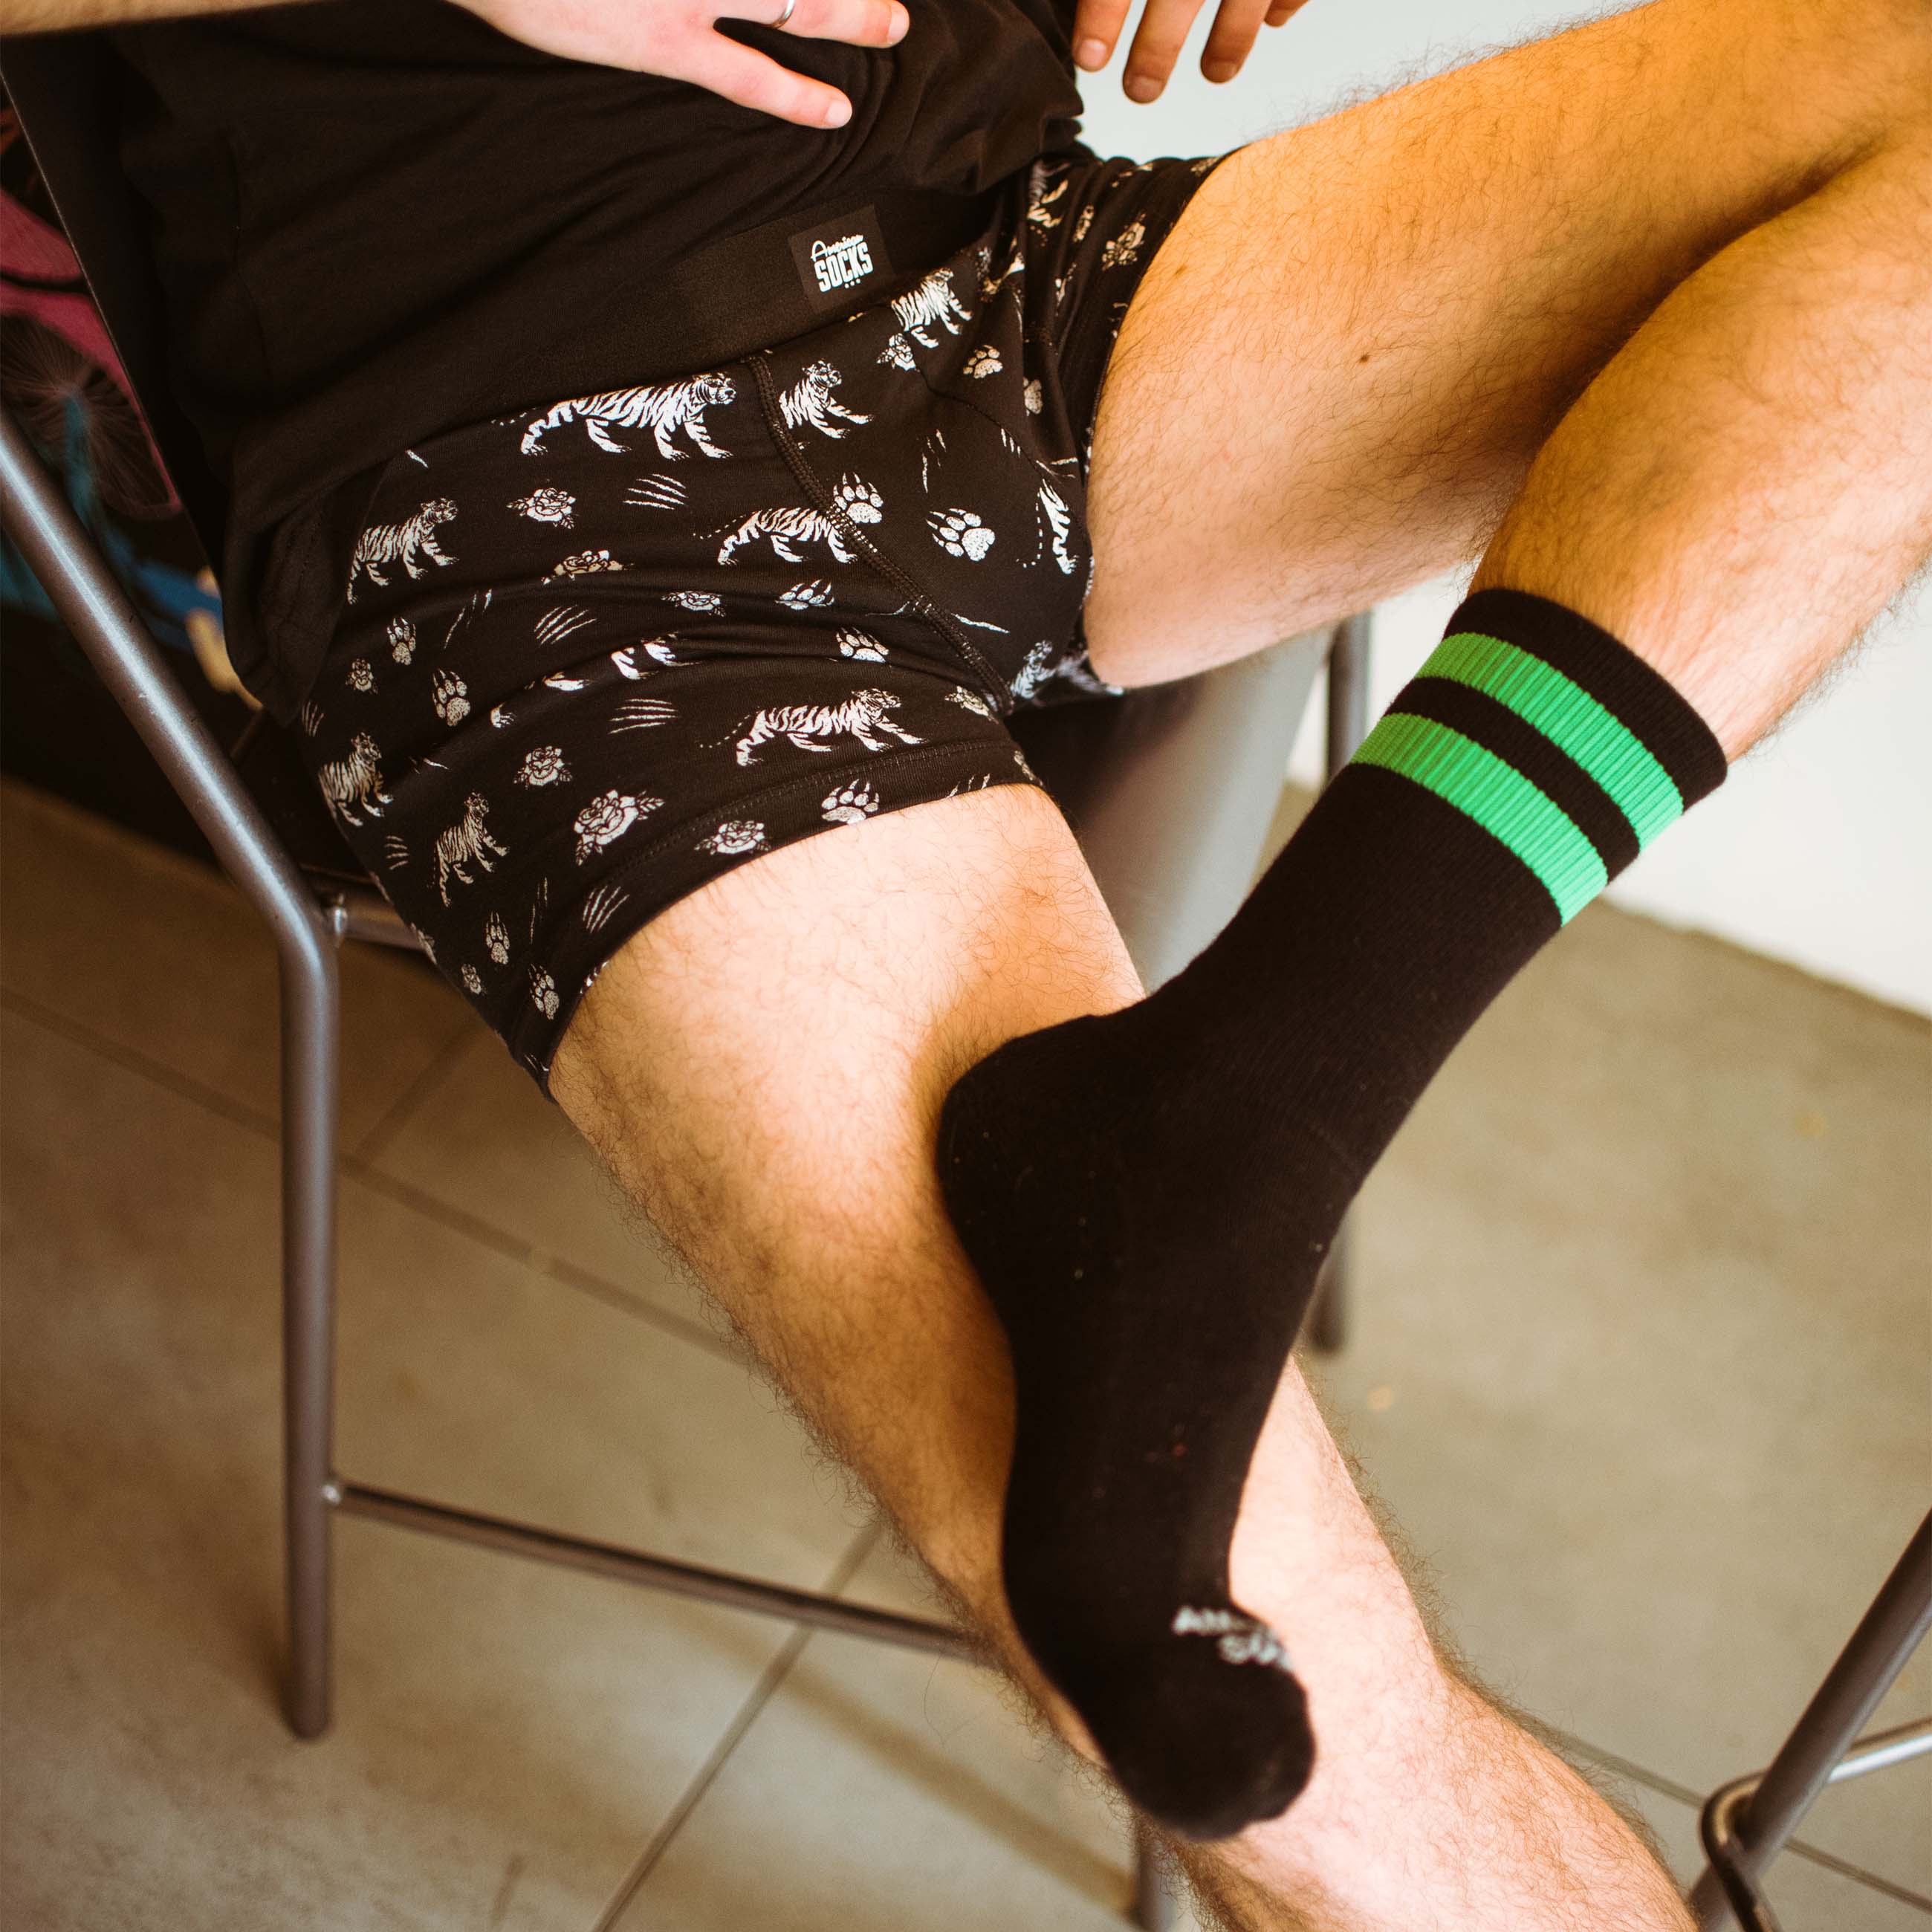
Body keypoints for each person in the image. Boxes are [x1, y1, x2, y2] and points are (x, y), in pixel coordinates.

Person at [16, 0, 1929, 1917]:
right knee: (1312, 1750)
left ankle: (1251, 1099)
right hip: (514, 511)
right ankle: (1219, 1143)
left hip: (1003, 269)